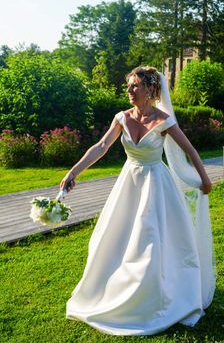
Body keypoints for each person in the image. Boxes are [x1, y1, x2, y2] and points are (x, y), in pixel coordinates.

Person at [62, 66, 215, 336]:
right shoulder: (121, 117)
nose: (130, 90)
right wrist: (73, 172)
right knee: (113, 237)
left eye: (135, 86)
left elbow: (189, 149)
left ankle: (155, 295)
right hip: (129, 184)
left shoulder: (164, 120)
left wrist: (205, 179)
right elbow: (101, 146)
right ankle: (113, 289)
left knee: (151, 240)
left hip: (156, 185)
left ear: (150, 89)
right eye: (129, 85)